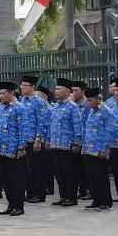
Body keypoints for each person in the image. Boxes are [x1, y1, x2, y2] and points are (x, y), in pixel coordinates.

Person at [0, 82, 29, 216]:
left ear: (12, 93)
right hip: (1, 149)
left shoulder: (19, 108)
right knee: (5, 179)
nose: (1, 96)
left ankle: (19, 205)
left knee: (16, 178)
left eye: (3, 93)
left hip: (13, 149)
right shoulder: (1, 108)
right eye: (0, 94)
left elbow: (23, 128)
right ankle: (10, 204)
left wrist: (21, 147)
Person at [50, 78, 83, 207]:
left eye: (59, 89)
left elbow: (77, 126)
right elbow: (51, 125)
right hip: (55, 144)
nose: (56, 91)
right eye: (56, 89)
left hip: (67, 144)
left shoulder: (72, 107)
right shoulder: (55, 106)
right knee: (59, 173)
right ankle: (63, 195)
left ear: (67, 91)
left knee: (69, 172)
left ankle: (72, 197)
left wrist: (77, 143)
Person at [82, 87, 114, 212]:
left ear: (97, 99)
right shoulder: (92, 112)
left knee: (101, 177)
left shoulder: (106, 112)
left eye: (89, 100)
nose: (88, 103)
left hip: (99, 150)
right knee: (92, 177)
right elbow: (88, 131)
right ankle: (96, 199)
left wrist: (104, 148)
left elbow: (109, 131)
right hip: (89, 149)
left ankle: (106, 202)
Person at [20, 76, 50, 203]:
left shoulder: (39, 102)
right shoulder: (22, 100)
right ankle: (30, 192)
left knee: (37, 168)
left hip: (35, 140)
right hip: (25, 139)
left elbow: (42, 121)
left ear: (32, 86)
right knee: (26, 169)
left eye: (24, 85)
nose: (22, 88)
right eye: (21, 86)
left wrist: (38, 139)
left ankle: (39, 193)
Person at [72, 80, 91, 200]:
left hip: (87, 140)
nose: (73, 93)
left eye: (76, 90)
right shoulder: (74, 105)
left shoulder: (88, 104)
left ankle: (90, 190)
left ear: (83, 91)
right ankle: (82, 189)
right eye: (72, 90)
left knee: (87, 168)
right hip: (76, 140)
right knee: (77, 167)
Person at [36, 86, 55, 196]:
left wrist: (48, 139)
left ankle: (49, 187)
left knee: (47, 166)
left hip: (47, 140)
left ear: (45, 96)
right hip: (40, 139)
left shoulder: (49, 109)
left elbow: (49, 126)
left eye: (39, 96)